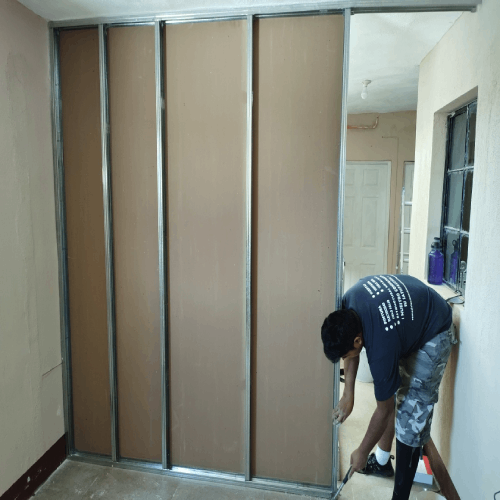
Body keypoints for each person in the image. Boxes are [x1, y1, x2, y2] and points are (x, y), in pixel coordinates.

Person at [321, 274, 459, 500]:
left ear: (358, 341)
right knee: (393, 392)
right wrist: (348, 394)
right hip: (407, 323)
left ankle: (400, 497)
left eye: (344, 355)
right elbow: (352, 352)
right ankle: (382, 462)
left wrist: (362, 451)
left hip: (434, 328)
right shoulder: (349, 302)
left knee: (410, 417)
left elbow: (383, 411)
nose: (345, 358)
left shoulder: (380, 348)